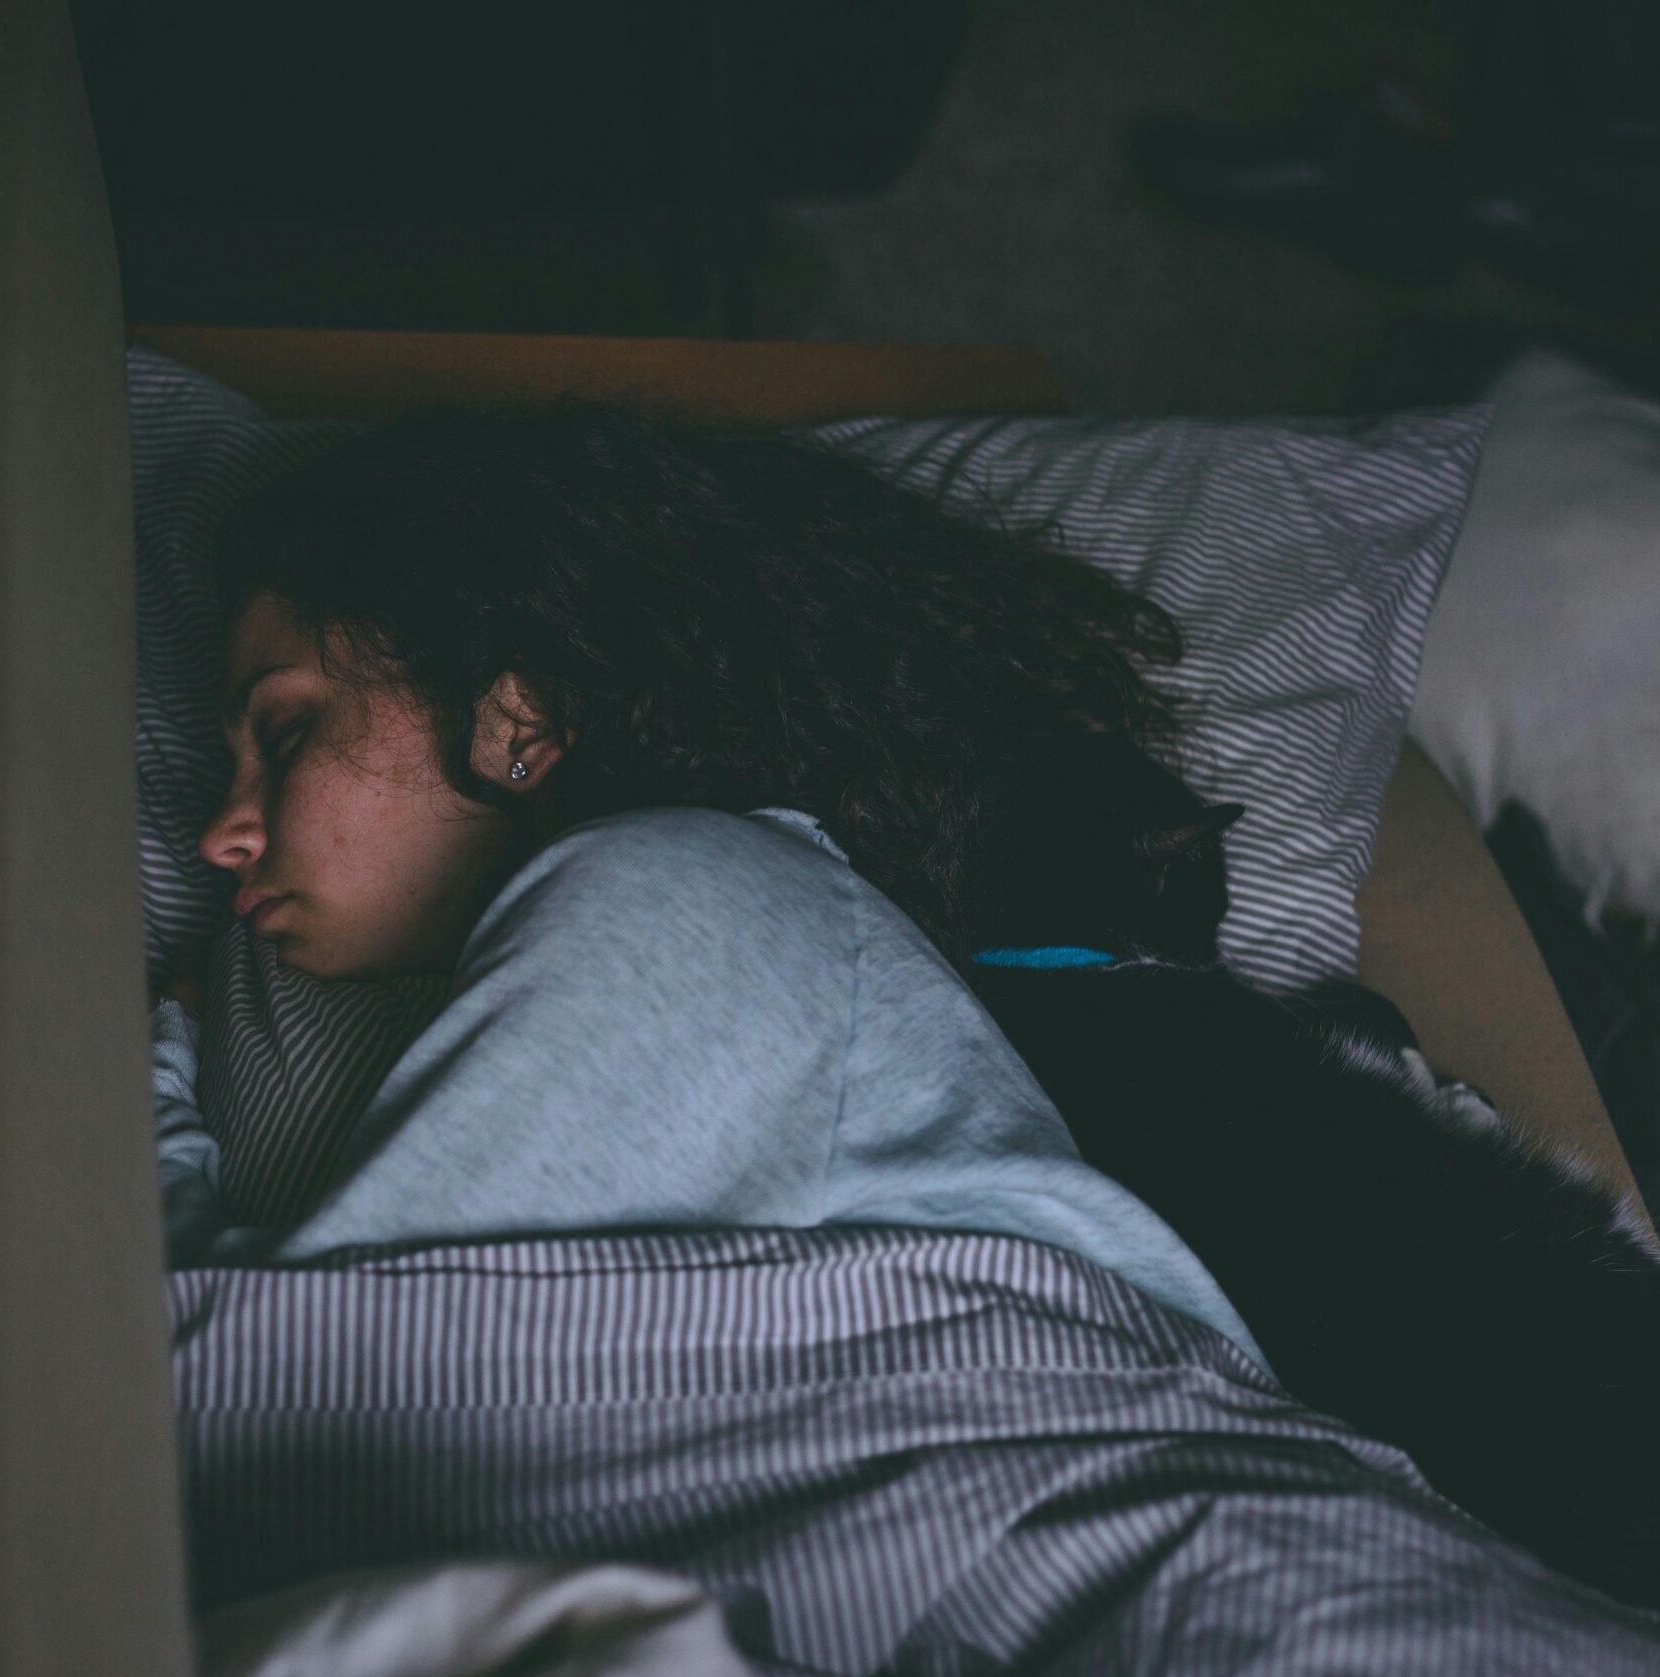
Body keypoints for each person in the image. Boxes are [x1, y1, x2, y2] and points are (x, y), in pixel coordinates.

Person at [152, 402, 1268, 1370]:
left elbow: (272, 1377)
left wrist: (152, 1098)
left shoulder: (694, 889)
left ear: (516, 719)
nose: (220, 836)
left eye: (287, 733)